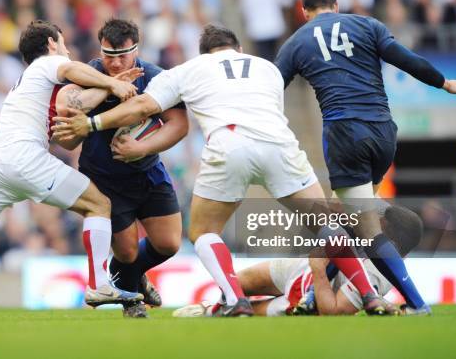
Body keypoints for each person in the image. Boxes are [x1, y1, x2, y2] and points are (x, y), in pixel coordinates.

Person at [52, 24, 398, 317]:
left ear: (205, 53)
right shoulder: (267, 68)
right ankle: (370, 294)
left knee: (202, 229)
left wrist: (93, 124)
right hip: (278, 142)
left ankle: (234, 299)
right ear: (240, 49)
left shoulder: (187, 70)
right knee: (325, 222)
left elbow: (146, 106)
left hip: (228, 143)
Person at [0, 20, 143, 321]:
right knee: (99, 205)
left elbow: (80, 103)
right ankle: (98, 284)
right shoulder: (49, 62)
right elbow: (71, 70)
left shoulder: (28, 79)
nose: (67, 50)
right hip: (24, 157)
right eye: (63, 42)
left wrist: (112, 83)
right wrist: (113, 83)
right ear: (50, 43)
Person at [274, 0, 456, 315]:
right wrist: (445, 83)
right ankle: (311, 294)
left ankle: (416, 303)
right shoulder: (368, 25)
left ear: (305, 12)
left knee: (364, 228)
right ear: (336, 5)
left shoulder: (297, 41)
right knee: (346, 216)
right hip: (383, 134)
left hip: (344, 134)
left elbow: (272, 85)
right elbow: (407, 60)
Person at [54, 19, 188, 318]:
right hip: (104, 179)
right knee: (127, 250)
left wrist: (141, 147)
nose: (115, 63)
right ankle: (133, 301)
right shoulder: (89, 75)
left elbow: (179, 125)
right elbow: (69, 139)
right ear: (99, 49)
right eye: (108, 55)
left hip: (148, 170)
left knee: (168, 244)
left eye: (122, 56)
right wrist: (109, 87)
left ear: (136, 50)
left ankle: (128, 274)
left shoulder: (155, 77)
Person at [173, 205, 423, 317]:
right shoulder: (372, 241)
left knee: (250, 313)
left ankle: (208, 313)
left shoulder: (378, 274)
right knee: (238, 283)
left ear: (388, 231)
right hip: (302, 268)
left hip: (312, 292)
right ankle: (216, 305)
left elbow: (334, 311)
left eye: (381, 222)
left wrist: (318, 271)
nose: (374, 223)